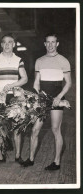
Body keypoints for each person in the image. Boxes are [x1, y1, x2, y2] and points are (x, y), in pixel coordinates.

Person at [23, 33, 72, 169]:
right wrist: (39, 95)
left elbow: (68, 83)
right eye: (48, 42)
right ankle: (31, 159)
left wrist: (58, 97)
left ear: (57, 44)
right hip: (43, 100)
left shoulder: (63, 61)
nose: (50, 45)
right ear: (45, 44)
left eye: (53, 42)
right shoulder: (39, 61)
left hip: (57, 99)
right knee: (34, 130)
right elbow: (36, 83)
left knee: (55, 129)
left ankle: (56, 162)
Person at [0, 34, 28, 163]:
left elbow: (24, 78)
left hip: (15, 97)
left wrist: (11, 85)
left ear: (14, 44)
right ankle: (0, 154)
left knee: (17, 127)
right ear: (1, 44)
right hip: (0, 97)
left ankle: (18, 155)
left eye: (10, 42)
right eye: (4, 42)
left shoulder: (19, 60)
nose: (7, 45)